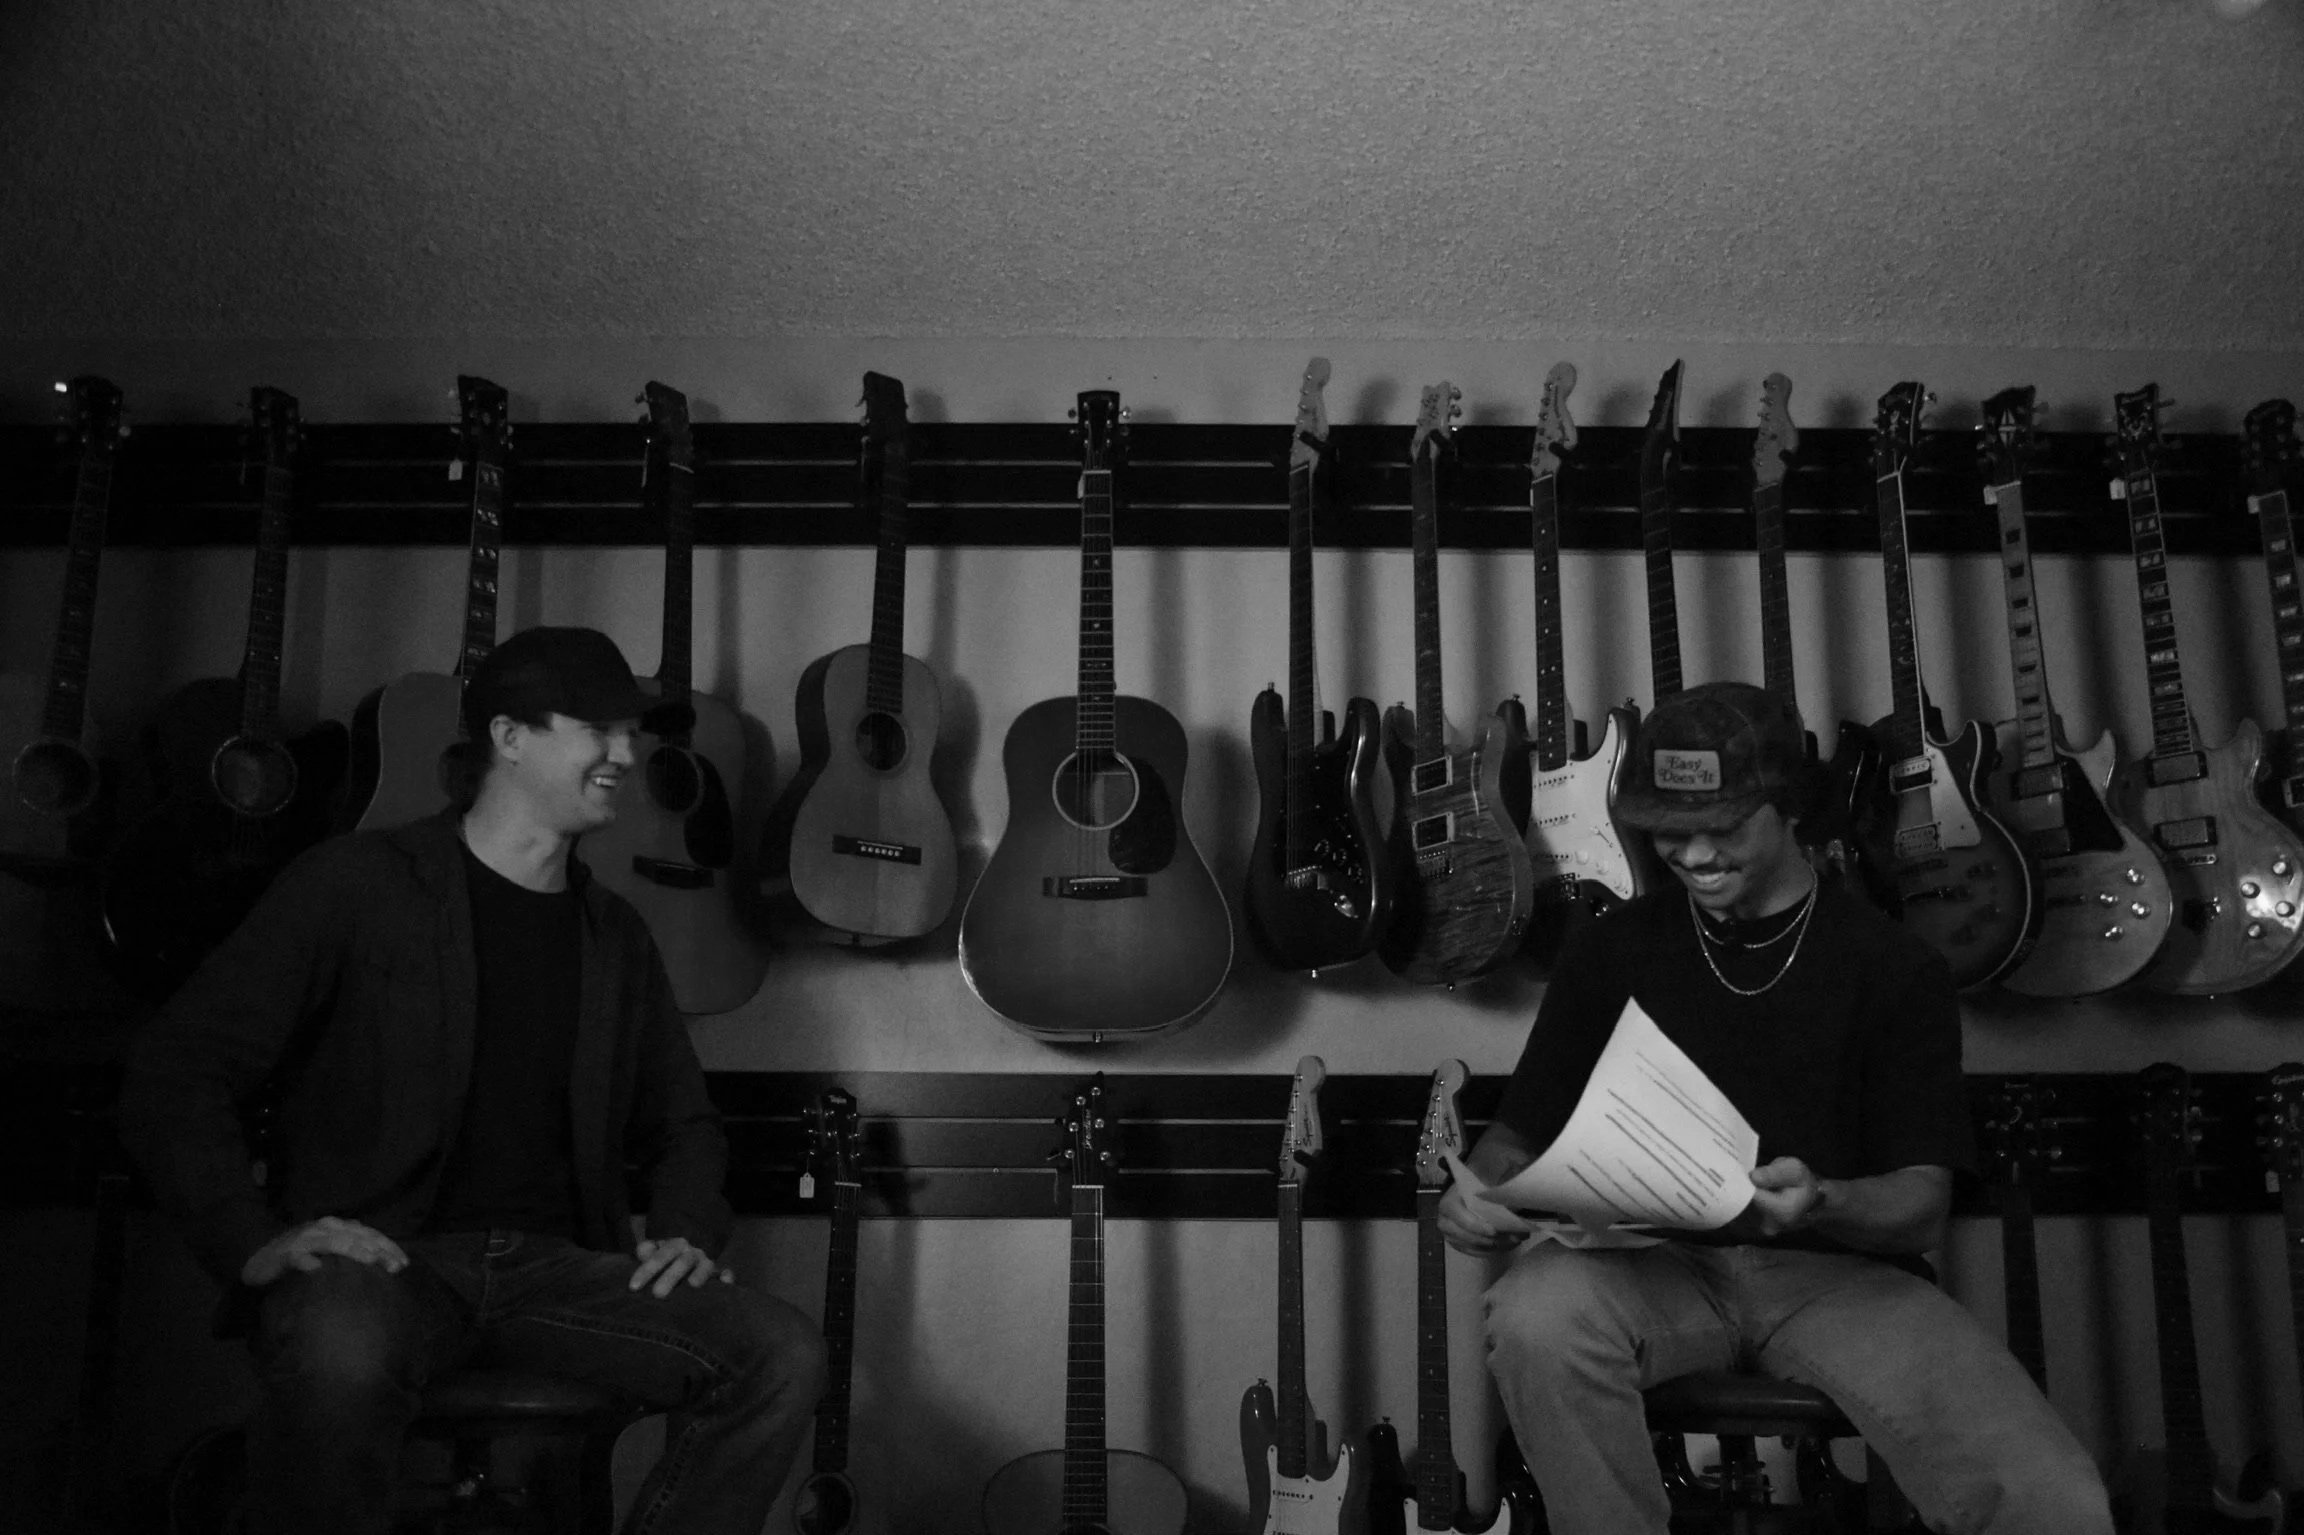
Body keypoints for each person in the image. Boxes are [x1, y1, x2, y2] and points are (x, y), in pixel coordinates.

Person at [119, 625, 826, 1535]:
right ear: (509, 736)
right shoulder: (355, 884)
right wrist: (249, 1236)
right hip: (385, 1263)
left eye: (631, 733)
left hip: (563, 1271)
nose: (626, 754)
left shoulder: (615, 934)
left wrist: (684, 1229)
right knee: (342, 1343)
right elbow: (177, 1070)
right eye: (599, 730)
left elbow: (685, 1123)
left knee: (782, 1353)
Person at [1438, 681, 2110, 1535]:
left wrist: (1823, 1197)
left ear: (1791, 809)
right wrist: (1481, 1187)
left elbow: (1920, 1205)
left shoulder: (1892, 966)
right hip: (1649, 1265)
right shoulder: (1611, 948)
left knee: (2050, 1495)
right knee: (1533, 1313)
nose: (1694, 853)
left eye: (1724, 826)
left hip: (1837, 1277)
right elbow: (1519, 1131)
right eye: (1670, 831)